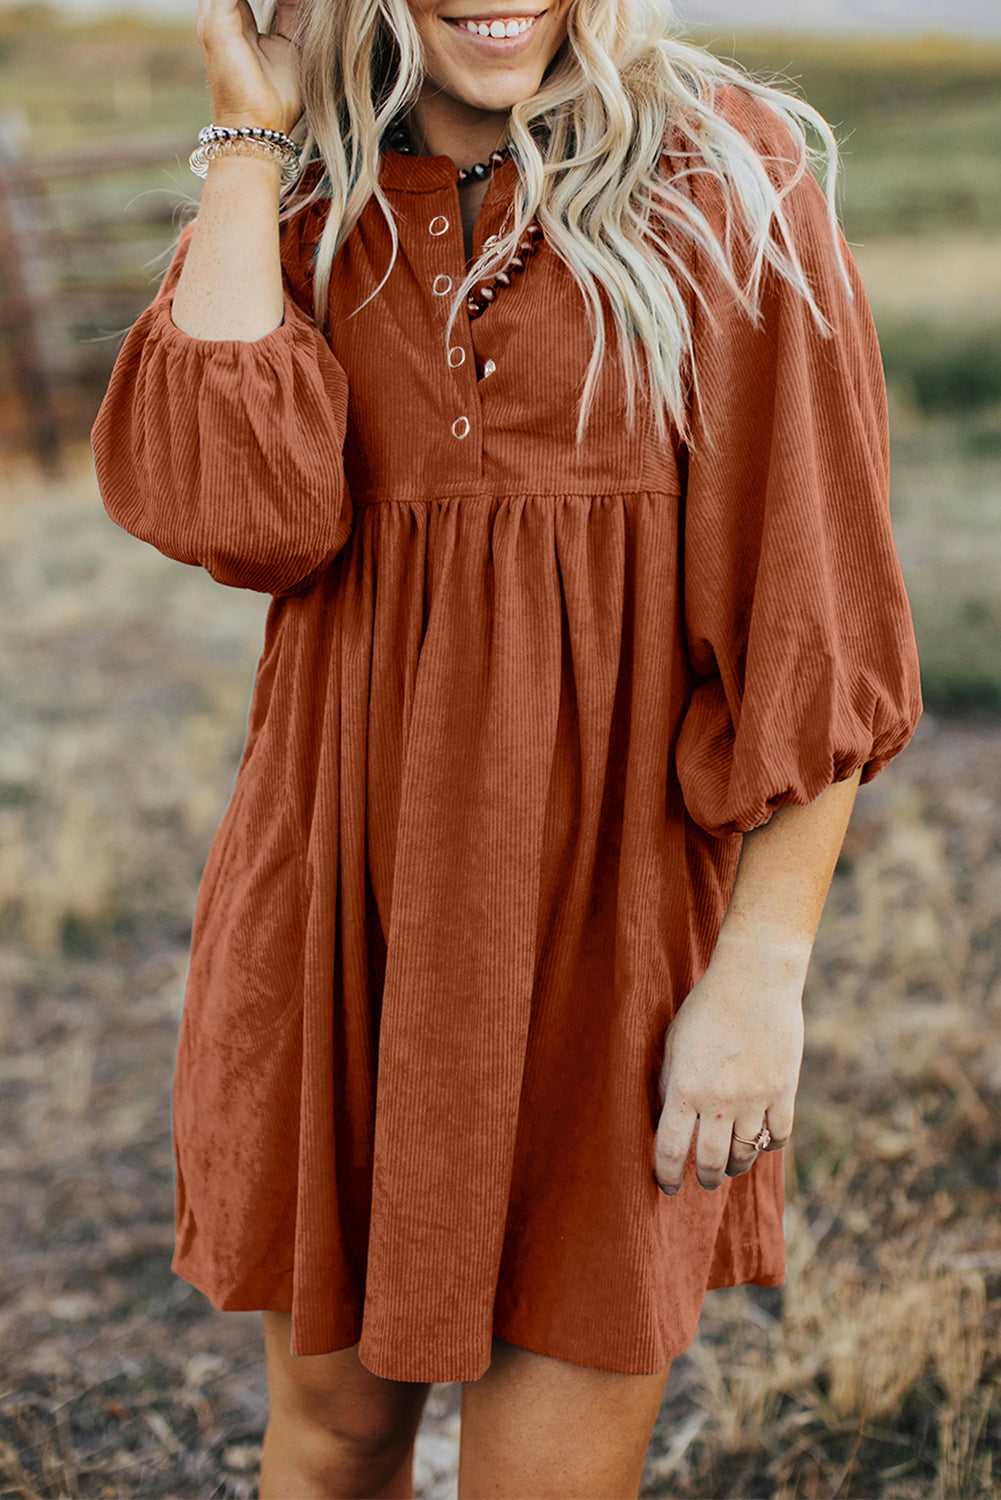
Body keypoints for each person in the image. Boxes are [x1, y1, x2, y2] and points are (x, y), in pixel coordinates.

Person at [90, 0, 923, 1492]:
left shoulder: (724, 188)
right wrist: (244, 133)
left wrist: (760, 977)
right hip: (340, 909)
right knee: (333, 1442)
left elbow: (820, 631)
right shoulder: (297, 197)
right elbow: (239, 515)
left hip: (603, 938)